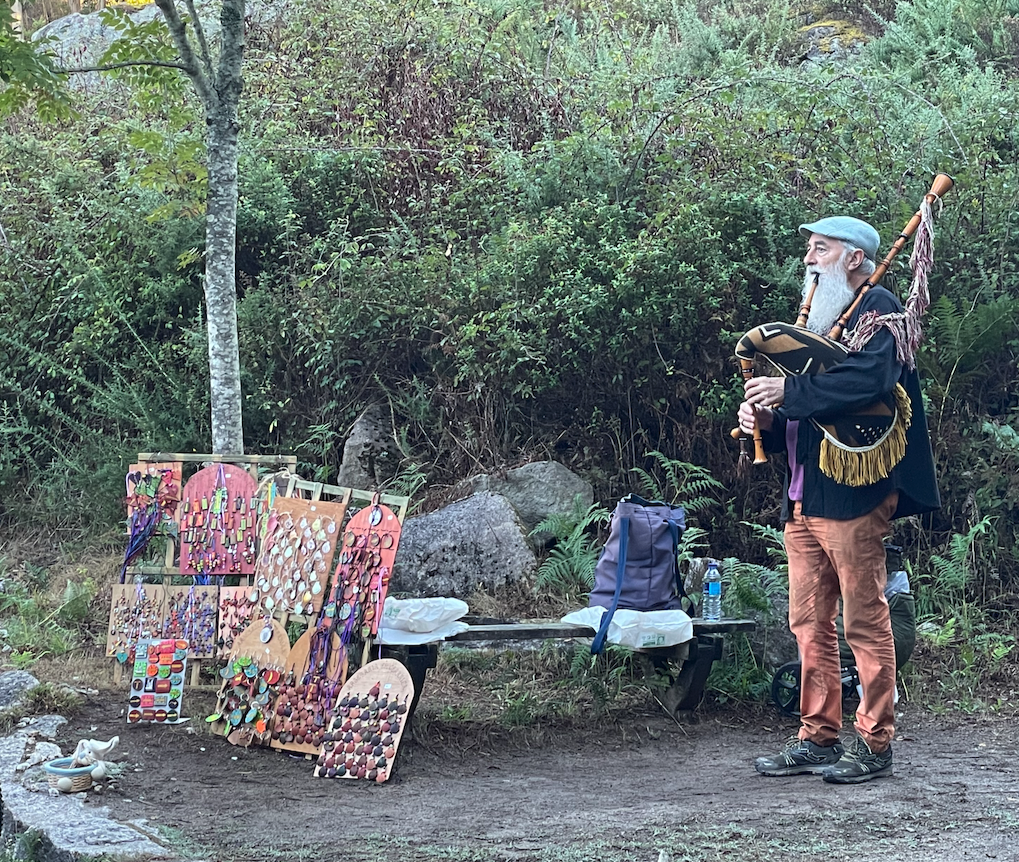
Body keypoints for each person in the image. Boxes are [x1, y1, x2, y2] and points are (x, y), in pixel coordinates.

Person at [738, 216, 940, 784]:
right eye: (809, 248)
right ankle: (818, 737)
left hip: (853, 497)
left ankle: (875, 745)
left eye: (819, 250)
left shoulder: (881, 315)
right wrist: (767, 420)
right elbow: (813, 418)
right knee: (808, 622)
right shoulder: (825, 324)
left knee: (864, 619)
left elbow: (866, 387)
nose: (809, 259)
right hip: (803, 498)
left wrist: (791, 392)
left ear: (853, 258)